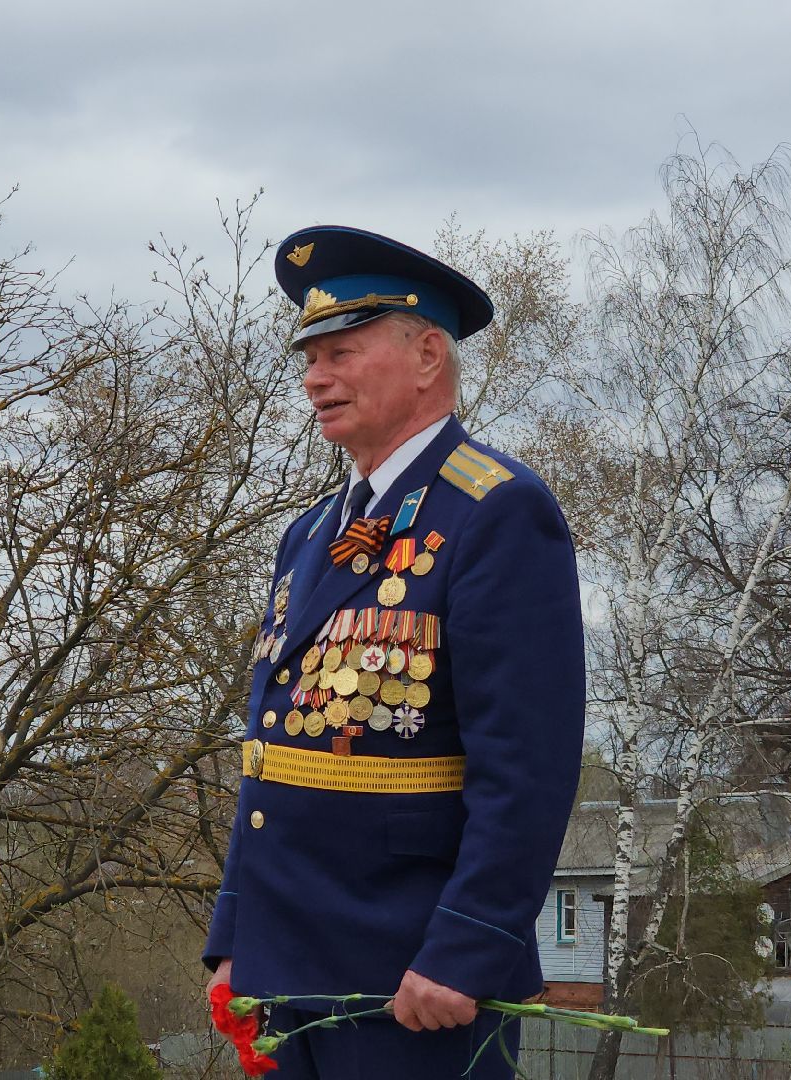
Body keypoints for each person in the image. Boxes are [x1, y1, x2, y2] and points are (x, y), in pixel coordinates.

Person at [203, 225, 586, 1078]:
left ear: (426, 357)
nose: (314, 377)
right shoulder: (309, 535)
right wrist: (236, 936)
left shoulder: (496, 514)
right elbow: (269, 748)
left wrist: (469, 945)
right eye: (310, 357)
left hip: (413, 979)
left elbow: (525, 767)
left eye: (341, 351)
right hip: (290, 971)